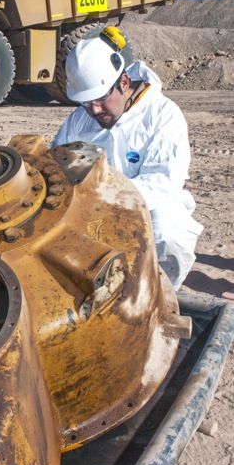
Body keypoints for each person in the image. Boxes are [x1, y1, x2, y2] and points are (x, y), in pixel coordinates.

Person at [52, 27, 202, 289]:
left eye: (99, 100)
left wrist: (105, 193)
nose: (94, 110)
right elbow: (56, 163)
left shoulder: (162, 115)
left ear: (123, 83)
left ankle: (159, 296)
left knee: (169, 231)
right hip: (92, 207)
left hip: (147, 208)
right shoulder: (80, 119)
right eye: (86, 103)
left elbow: (163, 184)